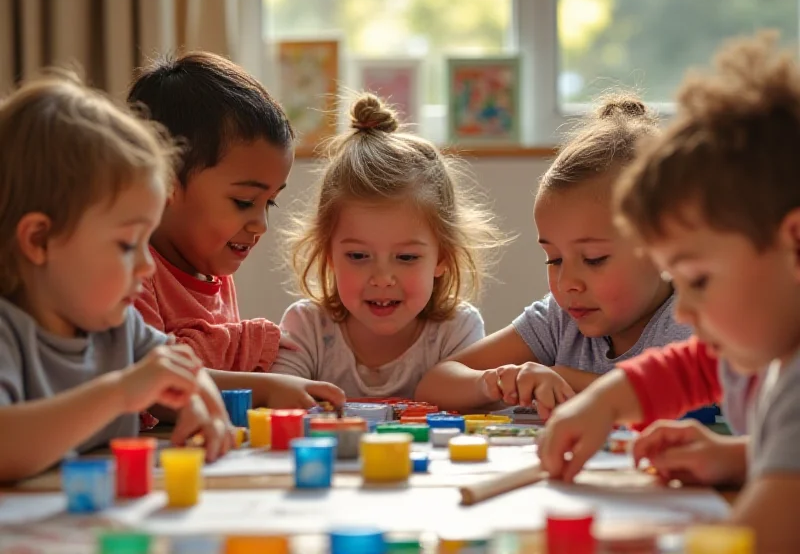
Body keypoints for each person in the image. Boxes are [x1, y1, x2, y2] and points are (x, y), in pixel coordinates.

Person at [537, 32, 800, 553]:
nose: (683, 308)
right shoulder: (766, 347)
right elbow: (693, 367)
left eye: (699, 280)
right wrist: (740, 456)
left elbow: (752, 541)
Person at [0, 73, 233, 482]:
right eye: (127, 245)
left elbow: (183, 370)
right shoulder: (7, 333)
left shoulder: (119, 327)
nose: (147, 266)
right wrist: (120, 392)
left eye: (148, 240)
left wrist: (197, 403)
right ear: (39, 240)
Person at [416, 95, 690, 414]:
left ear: (661, 246)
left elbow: (679, 401)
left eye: (593, 259)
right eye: (554, 259)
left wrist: (565, 378)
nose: (567, 282)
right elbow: (434, 385)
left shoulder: (692, 319)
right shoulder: (560, 320)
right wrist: (501, 382)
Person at [128, 52, 344, 409]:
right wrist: (267, 389)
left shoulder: (211, 268)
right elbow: (151, 384)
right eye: (244, 201)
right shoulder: (135, 270)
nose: (260, 224)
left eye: (269, 203)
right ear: (164, 179)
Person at [272, 93, 507, 399]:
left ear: (443, 257)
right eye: (358, 255)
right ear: (328, 254)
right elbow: (278, 406)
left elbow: (476, 407)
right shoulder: (308, 327)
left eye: (406, 257)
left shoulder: (456, 330)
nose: (382, 278)